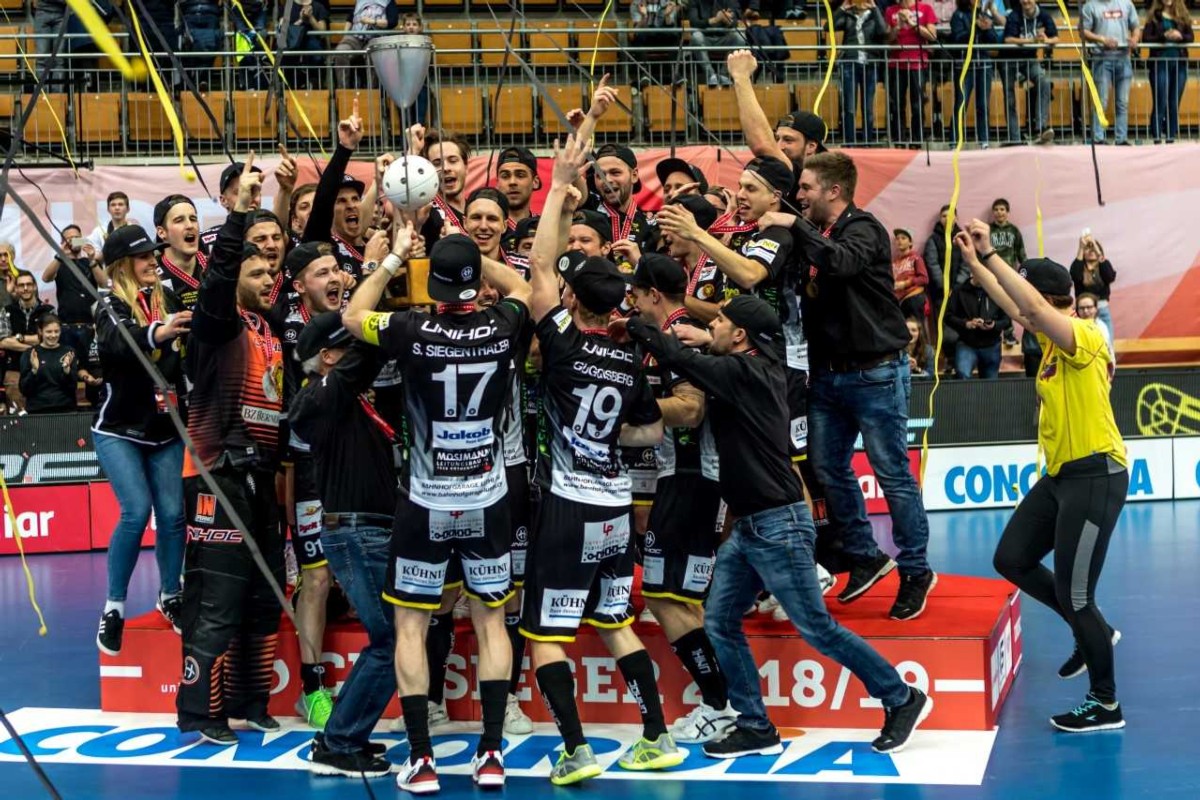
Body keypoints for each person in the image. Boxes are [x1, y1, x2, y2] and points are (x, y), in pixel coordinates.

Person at [626, 293, 933, 758]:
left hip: (777, 526)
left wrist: (638, 327)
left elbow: (681, 360)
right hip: (752, 526)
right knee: (721, 622)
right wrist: (701, 339)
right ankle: (756, 726)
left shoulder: (742, 372)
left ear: (740, 335)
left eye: (720, 320)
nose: (713, 325)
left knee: (818, 628)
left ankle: (901, 696)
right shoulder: (760, 367)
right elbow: (706, 351)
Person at [343, 230, 534, 792]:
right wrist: (481, 257)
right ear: (474, 283)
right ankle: (491, 753)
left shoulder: (409, 328)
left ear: (434, 285)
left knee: (411, 624)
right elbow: (523, 288)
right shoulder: (504, 325)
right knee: (492, 621)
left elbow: (353, 315)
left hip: (426, 502)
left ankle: (422, 759)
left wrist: (394, 258)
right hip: (488, 499)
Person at [520, 137, 680, 786]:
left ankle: (576, 750)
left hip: (567, 503)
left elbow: (536, 266)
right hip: (615, 502)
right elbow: (648, 431)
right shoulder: (627, 356)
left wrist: (558, 185)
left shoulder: (562, 340)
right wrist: (609, 434)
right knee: (614, 622)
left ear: (573, 297)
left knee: (545, 635)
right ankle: (656, 737)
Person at [955, 220, 1127, 733]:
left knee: (1078, 596)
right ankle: (1092, 629)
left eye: (1031, 295)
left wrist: (992, 254)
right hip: (1061, 477)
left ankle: (1105, 703)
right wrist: (977, 264)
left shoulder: (1084, 335)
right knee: (1011, 558)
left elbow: (1028, 307)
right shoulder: (1051, 339)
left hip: (1096, 474)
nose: (1023, 310)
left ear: (1051, 300)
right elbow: (1018, 307)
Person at [764, 152, 936, 620]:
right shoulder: (816, 233)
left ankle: (916, 571)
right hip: (827, 374)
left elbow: (838, 263)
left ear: (834, 191)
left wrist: (794, 224)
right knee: (826, 466)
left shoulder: (864, 228)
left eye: (806, 188)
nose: (799, 196)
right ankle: (865, 557)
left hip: (876, 372)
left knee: (892, 473)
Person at [176, 159, 287, 745]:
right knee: (218, 598)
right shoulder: (216, 323)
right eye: (257, 269)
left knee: (265, 595)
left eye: (272, 269)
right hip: (216, 476)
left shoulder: (268, 328)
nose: (269, 277)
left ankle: (251, 700)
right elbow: (217, 278)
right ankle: (201, 713)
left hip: (262, 479)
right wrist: (241, 212)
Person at [627, 252, 737, 744]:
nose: (632, 302)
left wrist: (628, 411)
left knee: (664, 596)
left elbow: (690, 410)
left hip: (691, 478)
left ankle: (719, 703)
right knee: (679, 598)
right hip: (688, 477)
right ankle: (723, 700)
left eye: (636, 293)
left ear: (653, 294)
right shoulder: (676, 331)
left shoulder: (676, 336)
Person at [290, 312, 397, 778]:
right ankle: (340, 741)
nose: (354, 356)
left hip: (369, 529)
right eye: (346, 348)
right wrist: (381, 279)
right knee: (391, 640)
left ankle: (341, 735)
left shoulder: (345, 397)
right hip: (356, 532)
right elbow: (372, 348)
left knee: (390, 638)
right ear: (329, 357)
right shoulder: (318, 396)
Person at [91, 225, 190, 655]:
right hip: (118, 429)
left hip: (165, 429)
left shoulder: (167, 298)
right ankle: (114, 607)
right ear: (121, 265)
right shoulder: (108, 304)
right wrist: (159, 333)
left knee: (173, 516)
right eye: (143, 256)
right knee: (136, 511)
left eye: (154, 254)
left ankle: (170, 595)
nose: (153, 261)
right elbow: (120, 342)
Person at [42, 224, 106, 366]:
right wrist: (60, 254)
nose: (73, 241)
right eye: (69, 238)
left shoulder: (89, 262)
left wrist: (92, 260)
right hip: (66, 327)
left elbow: (104, 283)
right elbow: (45, 278)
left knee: (92, 367)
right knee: (67, 367)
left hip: (90, 326)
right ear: (62, 242)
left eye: (77, 237)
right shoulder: (59, 263)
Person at [1081, 0, 1140, 145]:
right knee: (1101, 101)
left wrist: (1134, 39)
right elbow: (1083, 31)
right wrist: (1102, 39)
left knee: (1123, 102)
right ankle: (1098, 138)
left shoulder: (1127, 3)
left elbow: (1136, 26)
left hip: (1123, 57)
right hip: (1101, 57)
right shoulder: (1090, 6)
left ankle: (1121, 138)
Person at [1001, 0, 1058, 144]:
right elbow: (1008, 40)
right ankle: (1014, 138)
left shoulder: (1044, 15)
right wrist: (1032, 40)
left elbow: (1056, 37)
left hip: (1030, 59)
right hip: (1008, 60)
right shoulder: (1014, 15)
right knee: (1010, 98)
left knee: (1044, 82)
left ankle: (1041, 129)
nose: (1026, 1)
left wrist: (1046, 40)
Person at [19, 314, 98, 413]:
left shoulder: (68, 352)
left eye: (56, 331)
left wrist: (66, 371)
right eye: (49, 332)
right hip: (37, 410)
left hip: (65, 409)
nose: (53, 335)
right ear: (40, 331)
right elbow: (24, 389)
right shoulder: (30, 354)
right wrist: (34, 371)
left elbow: (73, 387)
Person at [884, 0, 938, 145]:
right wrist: (899, 26)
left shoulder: (925, 8)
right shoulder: (890, 10)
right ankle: (899, 139)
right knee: (897, 104)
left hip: (917, 62)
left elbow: (932, 36)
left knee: (917, 104)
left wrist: (911, 22)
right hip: (896, 63)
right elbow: (887, 39)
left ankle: (917, 139)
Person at [950, 0, 1003, 148]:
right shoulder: (958, 16)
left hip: (984, 65)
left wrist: (987, 29)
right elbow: (957, 39)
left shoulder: (985, 15)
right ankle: (954, 140)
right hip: (964, 66)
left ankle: (984, 140)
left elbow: (994, 41)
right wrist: (976, 27)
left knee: (983, 105)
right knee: (961, 103)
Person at [834, 0, 887, 145]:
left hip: (870, 63)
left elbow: (883, 31)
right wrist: (842, 8)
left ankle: (867, 141)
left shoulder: (874, 15)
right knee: (849, 107)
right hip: (849, 63)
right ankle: (850, 142)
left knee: (868, 107)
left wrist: (874, 8)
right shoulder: (848, 16)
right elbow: (828, 27)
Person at [3, 270, 55, 413]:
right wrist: (32, 346)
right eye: (21, 285)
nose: (25, 288)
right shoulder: (7, 311)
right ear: (16, 288)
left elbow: (50, 338)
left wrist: (19, 338)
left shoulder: (48, 311)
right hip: (14, 370)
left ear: (35, 287)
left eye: (29, 284)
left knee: (41, 417)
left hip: (44, 369)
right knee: (18, 417)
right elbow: (3, 341)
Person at [1143, 0, 1192, 144]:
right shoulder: (1154, 16)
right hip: (1159, 64)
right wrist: (1164, 36)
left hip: (1179, 64)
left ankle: (1170, 139)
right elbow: (1146, 38)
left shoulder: (1182, 16)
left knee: (1173, 104)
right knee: (1160, 103)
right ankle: (1157, 140)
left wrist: (1180, 36)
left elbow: (1191, 37)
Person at [946, 275, 1011, 378]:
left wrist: (994, 325)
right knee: (962, 377)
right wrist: (966, 324)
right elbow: (948, 317)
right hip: (967, 343)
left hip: (991, 344)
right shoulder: (959, 290)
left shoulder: (997, 291)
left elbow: (1007, 320)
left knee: (990, 384)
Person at [155, 195, 207, 312]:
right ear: (162, 232)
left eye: (193, 219)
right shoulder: (153, 277)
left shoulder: (216, 267)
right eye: (179, 220)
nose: (190, 225)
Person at [688, 0, 745, 87]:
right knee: (696, 36)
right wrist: (716, 19)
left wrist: (728, 21)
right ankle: (711, 75)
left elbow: (735, 20)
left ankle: (724, 75)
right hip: (705, 39)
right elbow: (694, 22)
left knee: (740, 37)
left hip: (724, 38)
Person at [1070, 232, 1116, 337]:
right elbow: (1075, 276)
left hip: (1101, 308)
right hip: (1083, 309)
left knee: (1107, 340)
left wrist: (1096, 247)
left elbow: (1110, 277)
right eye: (1087, 248)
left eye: (1093, 248)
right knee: (1084, 338)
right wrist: (1081, 248)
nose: (1091, 251)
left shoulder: (1103, 264)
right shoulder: (1079, 265)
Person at [891, 227, 929, 323]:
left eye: (903, 238)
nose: (899, 241)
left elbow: (924, 279)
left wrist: (905, 283)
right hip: (899, 302)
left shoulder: (916, 258)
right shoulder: (894, 263)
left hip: (914, 297)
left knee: (917, 328)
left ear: (910, 243)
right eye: (897, 238)